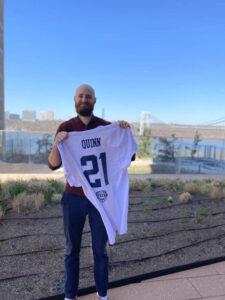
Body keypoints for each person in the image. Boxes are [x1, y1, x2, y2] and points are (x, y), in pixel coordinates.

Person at [48, 84, 132, 300]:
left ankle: (102, 294)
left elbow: (128, 156)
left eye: (88, 97)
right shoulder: (66, 127)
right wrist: (57, 144)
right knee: (71, 250)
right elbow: (52, 164)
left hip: (100, 198)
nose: (84, 100)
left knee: (100, 250)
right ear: (75, 99)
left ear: (95, 100)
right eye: (81, 96)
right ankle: (69, 295)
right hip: (73, 197)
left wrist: (123, 131)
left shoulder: (107, 127)